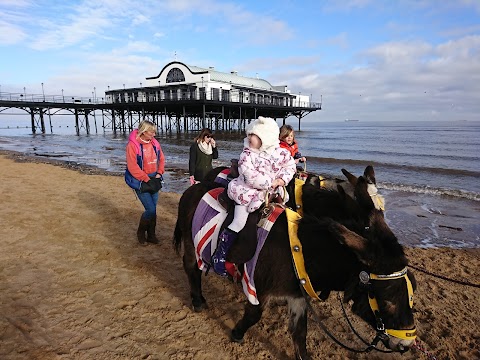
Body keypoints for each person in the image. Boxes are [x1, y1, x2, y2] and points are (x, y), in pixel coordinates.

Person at [211, 116, 296, 276]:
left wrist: (281, 180)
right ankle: (220, 255)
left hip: (270, 192)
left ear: (266, 138)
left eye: (254, 136)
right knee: (239, 222)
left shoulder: (281, 153)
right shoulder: (247, 154)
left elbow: (290, 166)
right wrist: (270, 182)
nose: (249, 138)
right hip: (246, 192)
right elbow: (248, 175)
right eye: (250, 134)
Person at [125, 120, 165, 245]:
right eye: (151, 132)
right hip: (140, 180)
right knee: (150, 209)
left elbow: (162, 159)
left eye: (154, 132)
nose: (154, 134)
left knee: (153, 209)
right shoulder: (132, 145)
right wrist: (146, 179)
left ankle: (151, 235)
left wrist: (159, 173)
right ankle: (141, 234)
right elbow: (132, 167)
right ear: (143, 131)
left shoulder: (155, 144)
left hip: (155, 177)